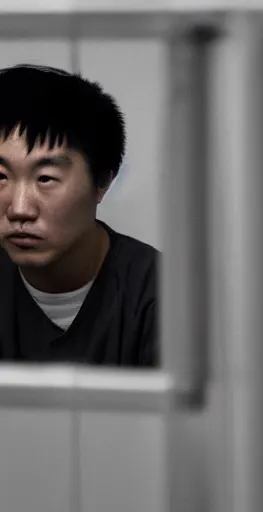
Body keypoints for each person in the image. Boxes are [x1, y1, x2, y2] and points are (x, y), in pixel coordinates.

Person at [0, 64, 158, 367]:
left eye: (45, 178)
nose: (19, 209)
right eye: (1, 176)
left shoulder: (159, 294)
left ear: (101, 182)